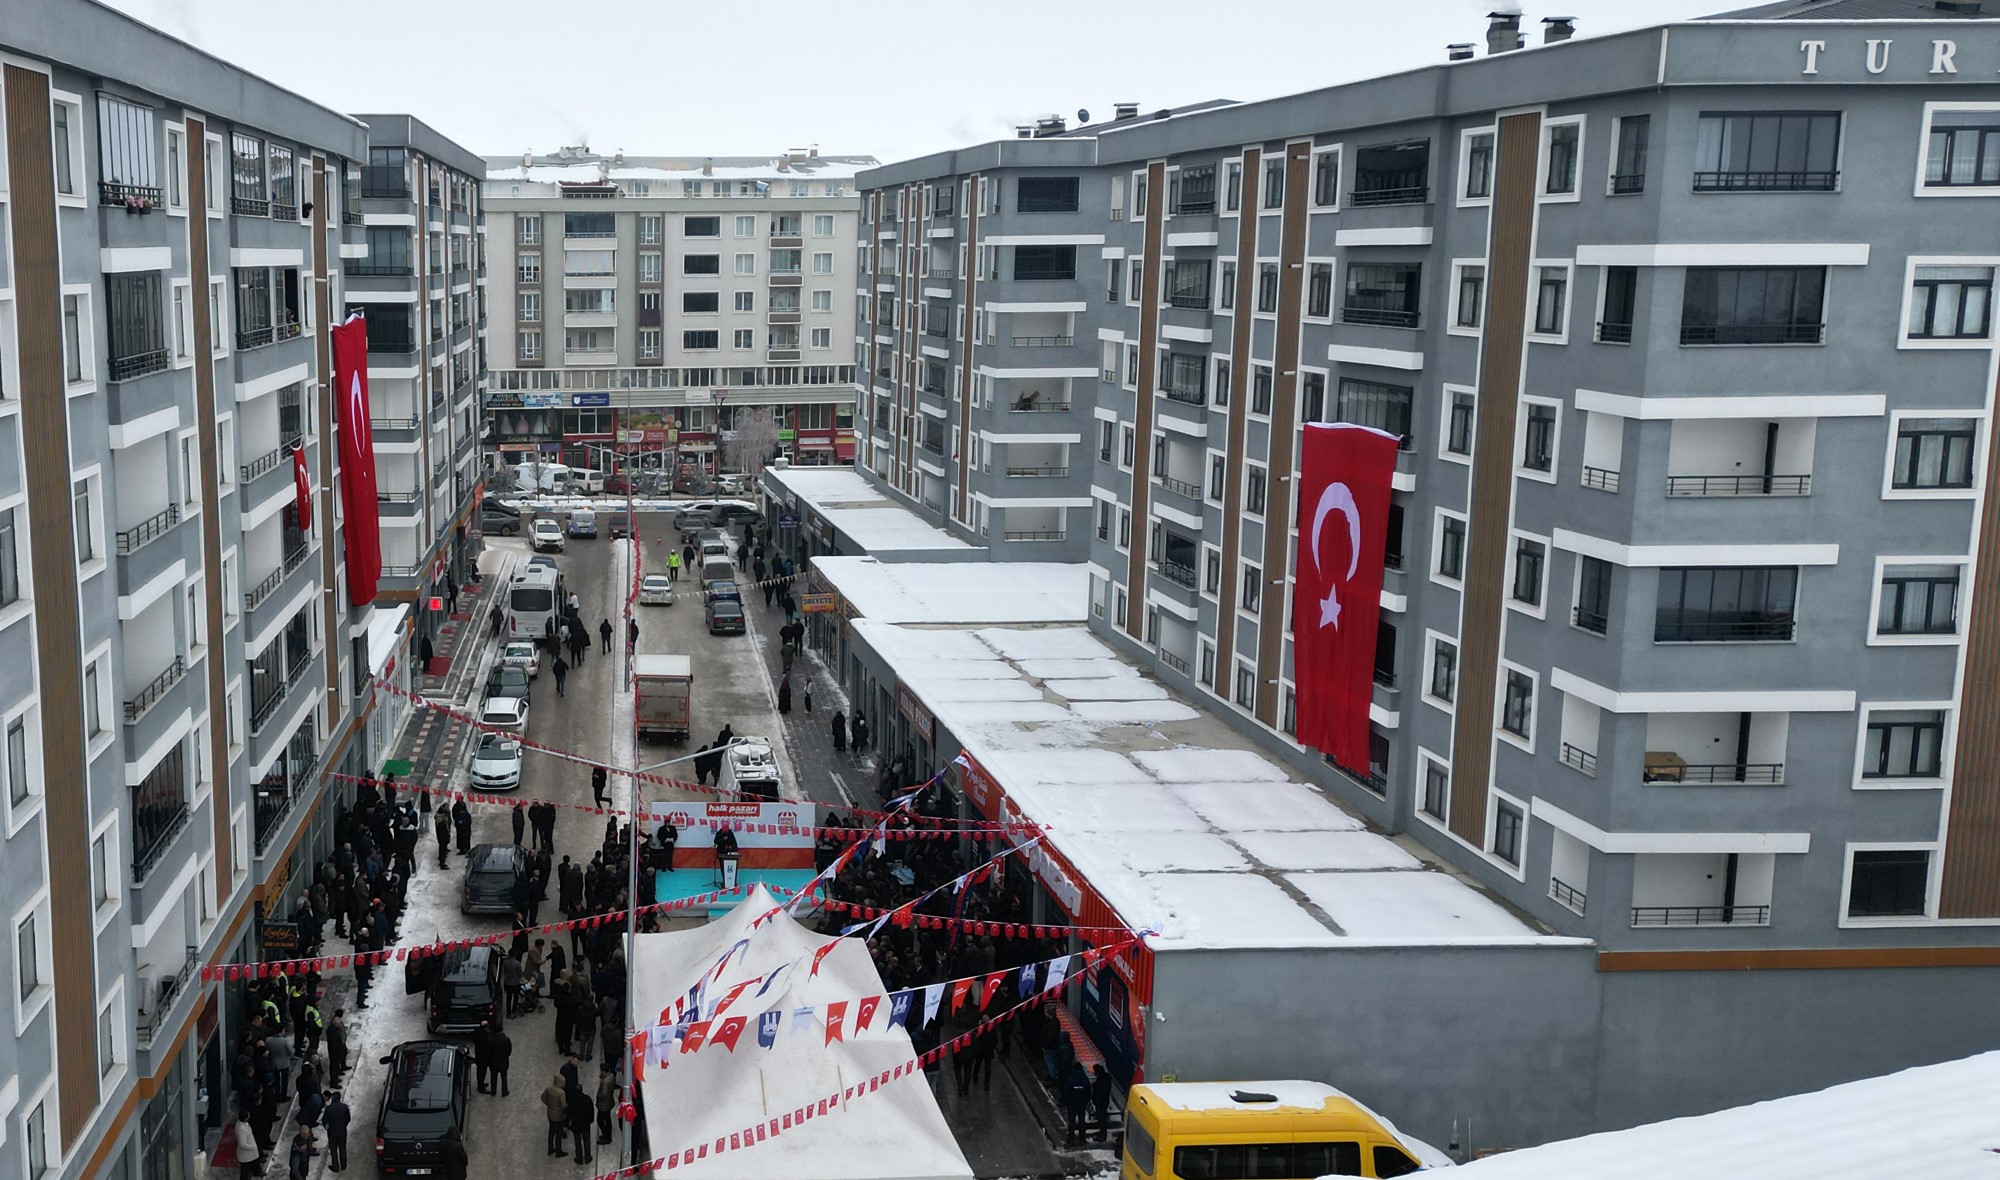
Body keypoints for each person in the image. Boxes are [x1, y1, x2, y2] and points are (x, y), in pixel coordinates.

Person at [566, 1081, 597, 1164]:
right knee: (587, 1140)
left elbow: (569, 1113)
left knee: (577, 1141)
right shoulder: (587, 1099)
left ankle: (579, 1158)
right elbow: (591, 1111)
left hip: (576, 1124)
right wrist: (591, 1120)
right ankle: (587, 1156)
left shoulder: (572, 1101)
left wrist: (566, 1123)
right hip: (586, 1124)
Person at [1063, 1061, 1092, 1145]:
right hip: (1081, 1104)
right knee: (1082, 1121)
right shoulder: (1085, 1079)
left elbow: (1066, 1092)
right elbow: (1088, 1093)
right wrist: (1084, 1101)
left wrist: (1067, 1102)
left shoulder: (1070, 1080)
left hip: (1072, 1104)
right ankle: (1082, 1138)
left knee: (1072, 1121)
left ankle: (1071, 1139)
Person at [542, 1074, 571, 1157]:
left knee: (551, 1132)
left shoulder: (549, 1089)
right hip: (559, 1116)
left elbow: (543, 1098)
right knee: (558, 1134)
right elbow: (563, 1105)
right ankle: (559, 1151)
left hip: (550, 1114)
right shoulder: (561, 1093)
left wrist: (550, 1105)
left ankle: (550, 1148)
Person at [322, 1092, 350, 1172]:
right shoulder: (344, 1107)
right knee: (342, 1148)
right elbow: (348, 1119)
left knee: (333, 1150)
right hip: (342, 1132)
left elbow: (324, 1120)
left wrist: (327, 1127)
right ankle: (343, 1165)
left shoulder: (329, 1108)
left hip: (332, 1133)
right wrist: (343, 1125)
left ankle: (335, 1166)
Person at [234, 1110, 263, 1179]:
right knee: (245, 1171)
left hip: (249, 1152)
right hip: (246, 1154)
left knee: (249, 1168)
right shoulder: (241, 1129)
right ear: (246, 1118)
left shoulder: (242, 1124)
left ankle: (255, 1171)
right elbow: (242, 1144)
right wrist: (252, 1147)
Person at [1090, 1063, 1115, 1141]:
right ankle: (1101, 1132)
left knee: (1102, 1119)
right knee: (1101, 1119)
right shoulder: (1105, 1079)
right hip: (1103, 1102)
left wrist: (1097, 1102)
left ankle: (1102, 1135)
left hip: (1101, 1103)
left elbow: (1100, 1092)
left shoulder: (1101, 1082)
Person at [595, 1066, 620, 1145]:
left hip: (603, 1105)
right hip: (609, 1102)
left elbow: (604, 1093)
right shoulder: (612, 1076)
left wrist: (598, 1095)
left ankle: (606, 1137)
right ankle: (607, 1135)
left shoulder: (605, 1082)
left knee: (600, 1120)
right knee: (607, 1120)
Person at [491, 1023, 514, 1096]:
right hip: (503, 1061)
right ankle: (504, 1091)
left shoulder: (490, 1039)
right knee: (504, 1077)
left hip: (493, 1062)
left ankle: (493, 1091)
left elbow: (488, 1050)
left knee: (493, 1077)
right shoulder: (506, 1039)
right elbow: (509, 1051)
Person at [326, 1008, 349, 1081]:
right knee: (334, 1066)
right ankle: (334, 1081)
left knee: (342, 1057)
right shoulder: (332, 1031)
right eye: (339, 1024)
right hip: (335, 1051)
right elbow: (334, 1043)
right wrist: (339, 1049)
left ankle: (341, 1069)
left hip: (339, 1047)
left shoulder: (335, 1027)